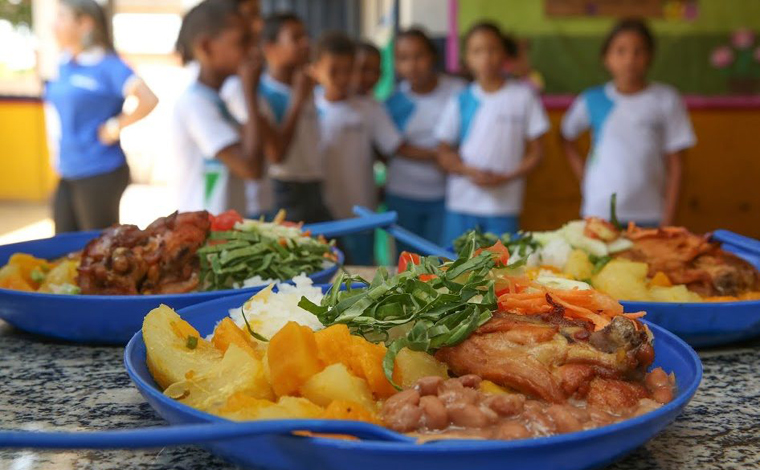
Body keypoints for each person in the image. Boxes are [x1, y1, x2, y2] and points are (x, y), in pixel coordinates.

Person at [561, 19, 695, 227]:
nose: (630, 59)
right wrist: (584, 176)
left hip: (650, 213)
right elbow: (565, 137)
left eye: (638, 51)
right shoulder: (591, 99)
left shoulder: (666, 99)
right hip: (599, 211)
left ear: (650, 56)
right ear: (606, 58)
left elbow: (677, 165)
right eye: (620, 51)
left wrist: (668, 220)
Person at [45, 0, 158, 233]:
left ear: (85, 23)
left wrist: (115, 126)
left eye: (61, 17)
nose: (54, 25)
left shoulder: (110, 66)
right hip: (67, 170)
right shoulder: (65, 63)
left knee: (97, 248)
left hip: (99, 170)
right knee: (62, 248)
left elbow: (149, 99)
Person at [436, 22, 549, 245]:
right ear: (467, 58)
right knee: (453, 269)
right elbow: (442, 152)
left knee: (502, 271)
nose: (486, 57)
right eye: (477, 51)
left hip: (504, 205)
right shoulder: (460, 99)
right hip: (461, 204)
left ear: (504, 53)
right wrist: (467, 170)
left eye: (493, 49)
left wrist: (506, 176)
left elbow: (538, 151)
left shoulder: (523, 97)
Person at [311, 32, 404, 265]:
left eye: (349, 70)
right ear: (316, 68)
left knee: (361, 275)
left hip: (361, 214)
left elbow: (393, 148)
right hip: (321, 214)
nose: (343, 79)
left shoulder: (369, 108)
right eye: (334, 71)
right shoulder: (307, 108)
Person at [171, 0, 267, 215]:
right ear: (206, 46)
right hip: (204, 232)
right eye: (243, 42)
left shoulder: (218, 99)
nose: (253, 51)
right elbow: (251, 168)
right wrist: (250, 93)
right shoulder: (195, 103)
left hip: (224, 229)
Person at [385, 28, 465, 249]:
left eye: (419, 56)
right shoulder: (394, 101)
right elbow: (394, 148)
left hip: (445, 196)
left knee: (440, 263)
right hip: (402, 195)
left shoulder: (457, 92)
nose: (412, 65)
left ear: (433, 56)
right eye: (403, 58)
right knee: (406, 265)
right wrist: (440, 154)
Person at [259, 13, 331, 223]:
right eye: (295, 38)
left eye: (305, 36)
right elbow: (276, 155)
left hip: (313, 183)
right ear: (270, 47)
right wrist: (297, 101)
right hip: (287, 188)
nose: (306, 43)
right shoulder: (264, 93)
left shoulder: (307, 86)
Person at [218, 0, 274, 219]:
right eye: (251, 15)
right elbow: (271, 151)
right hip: (249, 206)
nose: (259, 25)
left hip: (258, 200)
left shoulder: (246, 81)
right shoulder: (233, 86)